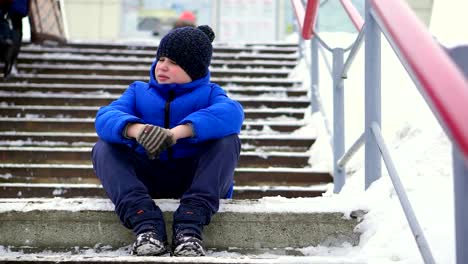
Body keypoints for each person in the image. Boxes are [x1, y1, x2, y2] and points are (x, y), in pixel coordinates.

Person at [92, 25, 244, 257]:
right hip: (146, 178)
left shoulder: (211, 93)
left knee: (227, 141)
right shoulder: (138, 91)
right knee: (104, 147)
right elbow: (105, 117)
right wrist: (137, 130)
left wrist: (177, 133)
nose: (162, 66)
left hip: (194, 179)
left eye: (173, 62)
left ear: (193, 69)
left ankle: (189, 228)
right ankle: (147, 225)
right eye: (161, 58)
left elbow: (232, 113)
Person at [0, 0, 29, 78]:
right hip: (17, 9)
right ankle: (10, 63)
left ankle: (9, 63)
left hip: (12, 8)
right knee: (15, 33)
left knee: (13, 33)